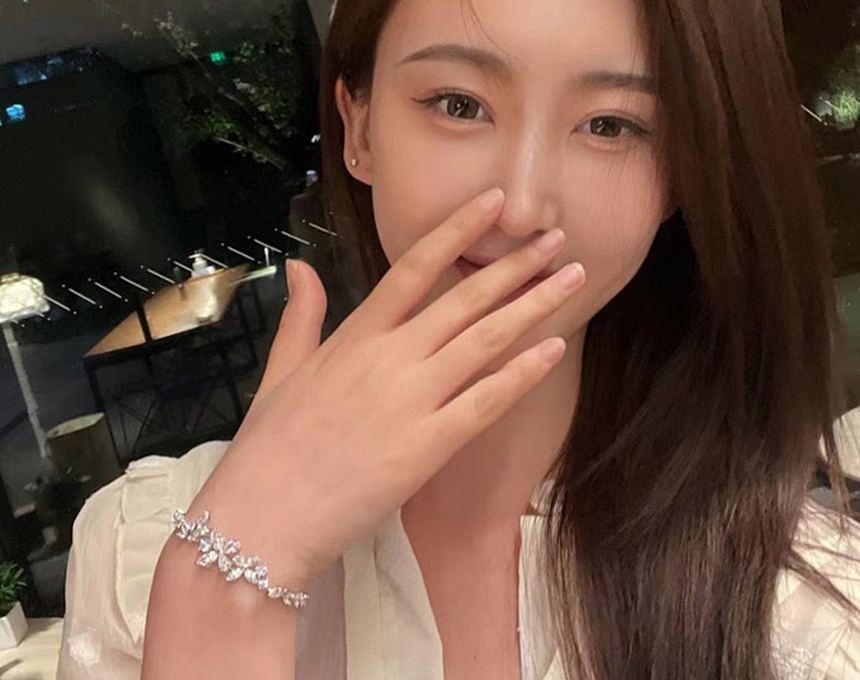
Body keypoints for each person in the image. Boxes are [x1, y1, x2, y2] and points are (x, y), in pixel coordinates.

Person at [57, 0, 860, 678]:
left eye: (611, 125)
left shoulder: (802, 617)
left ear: (679, 177)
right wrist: (230, 577)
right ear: (357, 127)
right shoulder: (141, 547)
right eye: (458, 104)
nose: (523, 205)